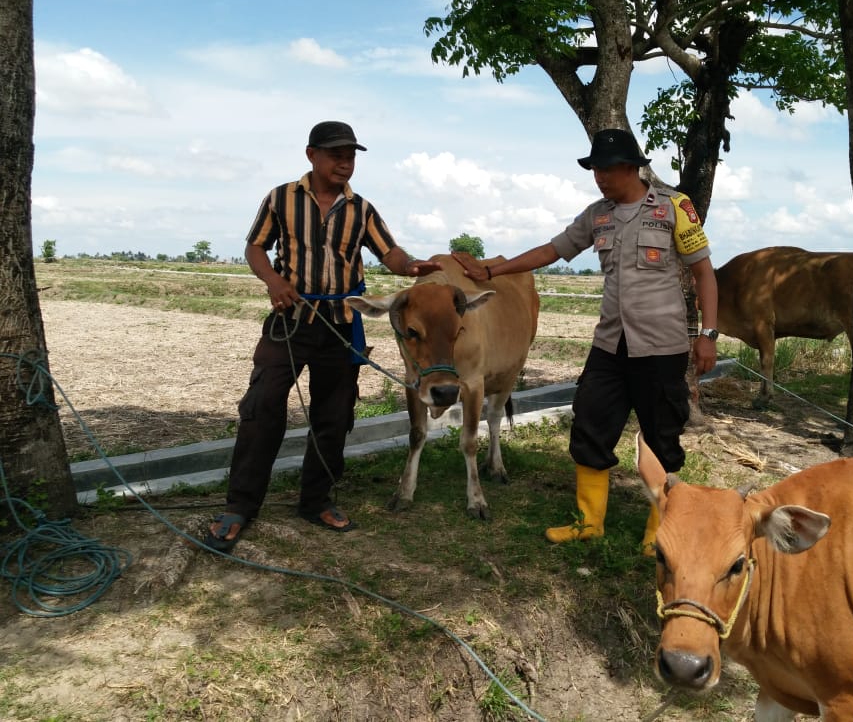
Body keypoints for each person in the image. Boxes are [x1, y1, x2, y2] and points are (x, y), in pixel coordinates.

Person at [453, 128, 718, 556]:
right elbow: (552, 251)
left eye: (606, 169)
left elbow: (705, 272)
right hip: (611, 345)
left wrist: (707, 335)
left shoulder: (674, 208)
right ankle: (588, 521)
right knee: (590, 424)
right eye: (594, 169)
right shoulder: (597, 215)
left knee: (661, 434)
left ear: (631, 168)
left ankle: (660, 526)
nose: (599, 178)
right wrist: (491, 273)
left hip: (663, 345)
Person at [205, 121, 441, 552]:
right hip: (290, 321)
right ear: (311, 154)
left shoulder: (362, 210)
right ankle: (240, 505)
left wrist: (410, 267)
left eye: (350, 155)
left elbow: (390, 253)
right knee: (262, 407)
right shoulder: (281, 198)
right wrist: (274, 282)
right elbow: (255, 247)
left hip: (340, 326)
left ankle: (316, 500)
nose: (345, 162)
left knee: (334, 416)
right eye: (336, 154)